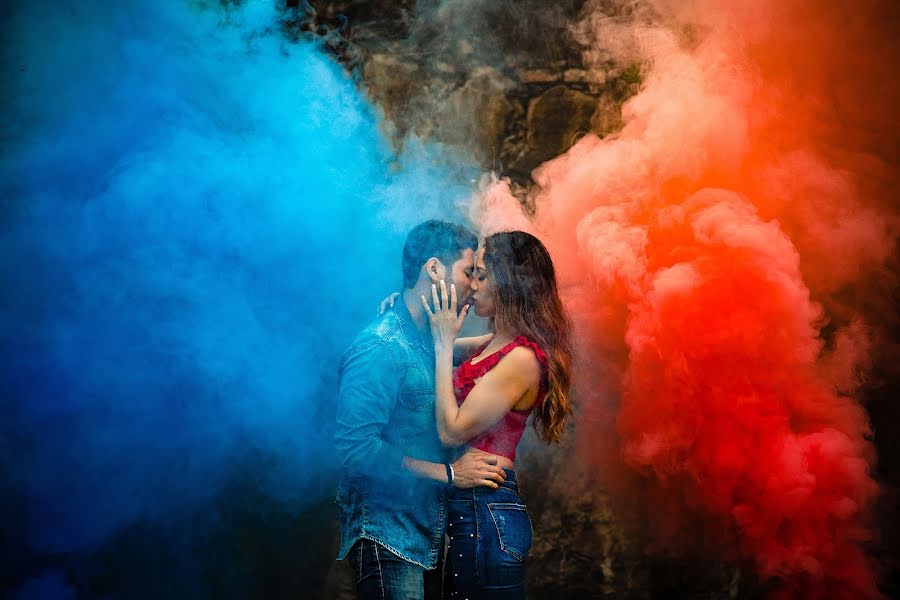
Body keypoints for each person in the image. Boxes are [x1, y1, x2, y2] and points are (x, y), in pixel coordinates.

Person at [334, 220, 509, 600]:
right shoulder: (379, 347)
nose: (473, 286)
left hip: (424, 541)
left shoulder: (428, 341)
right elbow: (355, 450)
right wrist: (449, 473)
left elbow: (495, 346)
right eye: (467, 273)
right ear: (434, 269)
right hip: (388, 539)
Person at [422, 230, 573, 599]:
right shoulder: (495, 344)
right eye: (472, 273)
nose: (473, 284)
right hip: (475, 514)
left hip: (486, 514)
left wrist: (443, 345)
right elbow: (422, 347)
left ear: (509, 282)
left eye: (482, 275)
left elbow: (451, 431)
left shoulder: (521, 359)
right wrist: (405, 308)